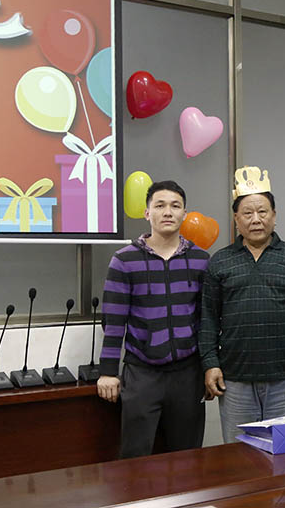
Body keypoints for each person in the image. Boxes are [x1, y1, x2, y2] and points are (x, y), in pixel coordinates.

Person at [199, 166, 285, 443]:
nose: (256, 219)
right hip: (234, 380)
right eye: (247, 213)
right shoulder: (220, 261)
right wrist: (210, 364)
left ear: (274, 216)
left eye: (262, 212)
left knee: (284, 452)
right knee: (239, 454)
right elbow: (208, 319)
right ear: (236, 219)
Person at [97, 180, 209, 457]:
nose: (167, 212)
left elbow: (206, 320)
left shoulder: (201, 260)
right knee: (135, 456)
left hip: (188, 374)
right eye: (160, 205)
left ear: (184, 213)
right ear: (147, 213)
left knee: (188, 457)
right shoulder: (124, 260)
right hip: (142, 374)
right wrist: (108, 371)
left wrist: (209, 367)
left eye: (175, 206)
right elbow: (114, 320)